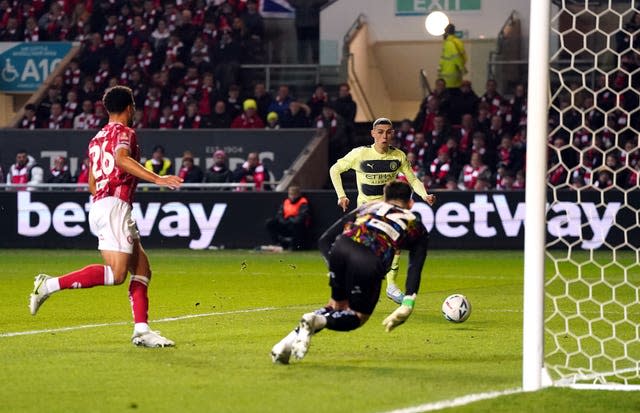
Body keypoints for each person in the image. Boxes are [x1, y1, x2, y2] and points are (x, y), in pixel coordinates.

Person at [28, 85, 184, 348]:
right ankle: (49, 285)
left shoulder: (96, 138)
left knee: (143, 269)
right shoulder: (125, 132)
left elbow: (91, 182)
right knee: (118, 274)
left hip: (102, 202)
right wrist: (157, 178)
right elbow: (122, 159)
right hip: (114, 206)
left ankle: (142, 330)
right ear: (129, 107)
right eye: (134, 107)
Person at [270, 181, 430, 364]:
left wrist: (337, 268)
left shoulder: (370, 206)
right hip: (370, 259)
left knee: (335, 307)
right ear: (410, 204)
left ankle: (284, 347)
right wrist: (407, 303)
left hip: (341, 247)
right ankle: (316, 321)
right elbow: (415, 266)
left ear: (385, 198)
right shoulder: (416, 225)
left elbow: (324, 240)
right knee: (357, 317)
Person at [328, 117, 436, 304]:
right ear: (373, 134)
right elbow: (334, 170)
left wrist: (425, 195)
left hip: (388, 210)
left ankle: (391, 287)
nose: (384, 136)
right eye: (380, 132)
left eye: (388, 132)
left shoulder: (398, 156)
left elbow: (413, 179)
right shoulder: (360, 154)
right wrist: (341, 196)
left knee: (395, 246)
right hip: (366, 210)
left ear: (392, 133)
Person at [265, 186, 312, 251]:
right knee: (270, 222)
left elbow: (301, 217)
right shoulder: (286, 202)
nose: (292, 196)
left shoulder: (303, 202)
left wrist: (291, 220)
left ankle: (294, 246)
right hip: (286, 224)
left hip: (298, 227)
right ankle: (278, 243)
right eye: (290, 194)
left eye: (294, 194)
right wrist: (283, 221)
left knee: (297, 224)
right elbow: (279, 214)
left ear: (298, 194)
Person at [438, 23, 467, 93]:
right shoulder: (458, 41)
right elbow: (464, 57)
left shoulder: (449, 43)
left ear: (447, 32)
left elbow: (455, 57)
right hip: (456, 76)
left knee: (450, 98)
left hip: (449, 79)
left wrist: (462, 69)